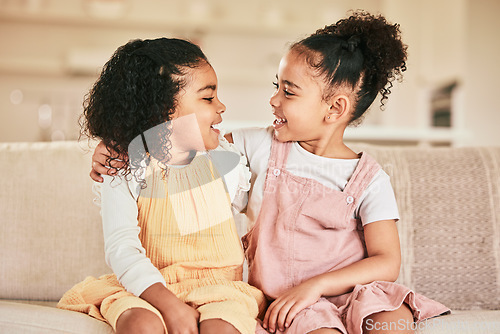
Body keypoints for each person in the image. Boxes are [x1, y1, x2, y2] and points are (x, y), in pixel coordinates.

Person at [90, 12, 450, 334]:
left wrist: (318, 285)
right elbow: (175, 140)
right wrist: (120, 146)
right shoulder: (259, 146)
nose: (274, 100)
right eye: (275, 86)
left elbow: (387, 261)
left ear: (335, 108)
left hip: (353, 292)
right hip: (292, 305)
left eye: (288, 92)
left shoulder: (369, 178)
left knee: (393, 322)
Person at [58, 37, 265, 334]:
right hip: (147, 289)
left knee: (221, 328)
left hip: (220, 292)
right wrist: (169, 305)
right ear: (162, 110)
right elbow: (122, 249)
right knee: (140, 323)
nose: (221, 106)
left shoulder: (226, 161)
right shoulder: (124, 167)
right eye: (207, 98)